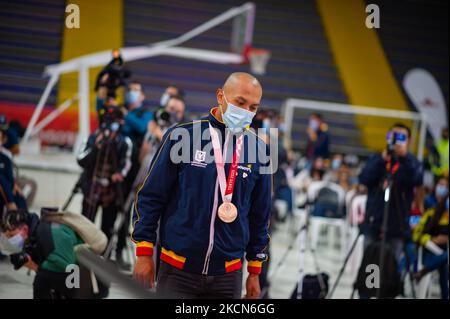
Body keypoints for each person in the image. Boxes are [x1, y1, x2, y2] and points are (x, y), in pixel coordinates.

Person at [132, 72, 272, 299]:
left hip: (228, 275)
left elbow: (260, 215)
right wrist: (144, 252)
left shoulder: (260, 151)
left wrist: (255, 271)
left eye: (253, 107)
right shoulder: (181, 136)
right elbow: (151, 197)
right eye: (240, 103)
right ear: (220, 96)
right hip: (177, 269)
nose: (246, 112)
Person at [358, 123, 423, 297]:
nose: (397, 142)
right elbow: (364, 178)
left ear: (409, 141)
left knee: (390, 269)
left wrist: (405, 159)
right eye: (393, 137)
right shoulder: (378, 159)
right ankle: (366, 294)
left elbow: (416, 180)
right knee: (369, 266)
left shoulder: (412, 163)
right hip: (374, 221)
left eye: (401, 138)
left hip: (397, 225)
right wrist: (382, 160)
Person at [0, 209, 107, 299]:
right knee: (46, 278)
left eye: (11, 235)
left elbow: (63, 267)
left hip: (93, 283)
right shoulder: (36, 236)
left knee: (42, 280)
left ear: (24, 229)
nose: (9, 240)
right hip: (79, 277)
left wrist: (32, 265)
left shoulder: (47, 233)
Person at [77, 104, 133, 260]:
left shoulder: (124, 142)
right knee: (85, 224)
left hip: (112, 192)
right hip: (91, 188)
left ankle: (104, 257)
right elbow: (81, 160)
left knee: (107, 227)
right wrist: (96, 147)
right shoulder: (92, 138)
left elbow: (126, 165)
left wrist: (119, 175)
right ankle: (82, 254)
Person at [413, 196, 448, 299]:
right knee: (445, 259)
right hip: (429, 254)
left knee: (444, 261)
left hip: (443, 256)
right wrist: (433, 239)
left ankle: (423, 271)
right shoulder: (432, 213)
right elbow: (417, 235)